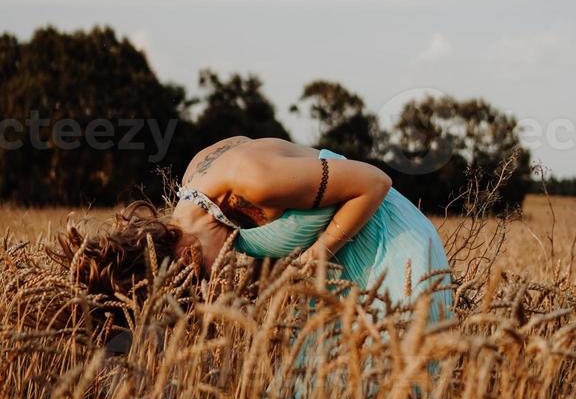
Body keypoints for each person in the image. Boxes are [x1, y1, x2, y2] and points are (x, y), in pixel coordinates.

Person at [57, 136, 452, 321]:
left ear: (183, 252)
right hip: (344, 275)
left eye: (198, 278)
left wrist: (317, 254)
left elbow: (375, 181)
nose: (209, 283)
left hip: (391, 247)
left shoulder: (252, 179)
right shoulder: (200, 183)